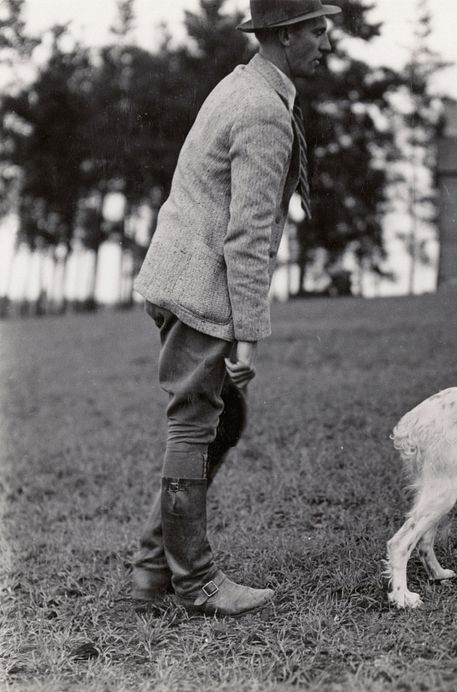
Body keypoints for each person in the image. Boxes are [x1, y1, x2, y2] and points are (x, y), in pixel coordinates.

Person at [130, 0, 340, 617]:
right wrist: (249, 333)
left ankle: (151, 572)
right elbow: (246, 235)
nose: (327, 41)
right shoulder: (260, 111)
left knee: (224, 419)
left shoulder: (246, 86)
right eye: (316, 30)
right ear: (282, 35)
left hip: (182, 275)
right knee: (197, 423)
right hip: (201, 287)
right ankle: (195, 582)